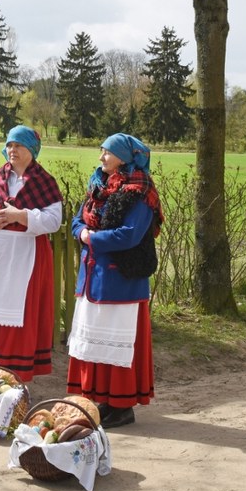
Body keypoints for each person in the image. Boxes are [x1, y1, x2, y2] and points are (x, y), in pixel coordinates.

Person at [67, 133, 164, 428]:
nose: (101, 157)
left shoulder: (140, 192)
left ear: (123, 156)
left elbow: (129, 235)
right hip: (92, 278)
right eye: (101, 151)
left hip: (121, 281)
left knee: (116, 342)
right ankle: (102, 401)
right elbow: (76, 220)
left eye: (107, 152)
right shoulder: (98, 187)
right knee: (96, 342)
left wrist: (91, 237)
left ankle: (122, 406)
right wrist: (82, 232)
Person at [0, 125, 63, 383]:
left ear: (32, 150)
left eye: (18, 145)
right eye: (9, 145)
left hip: (24, 258)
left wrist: (20, 215)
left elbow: (54, 221)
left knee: (19, 316)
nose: (12, 150)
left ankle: (13, 380)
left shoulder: (45, 183)